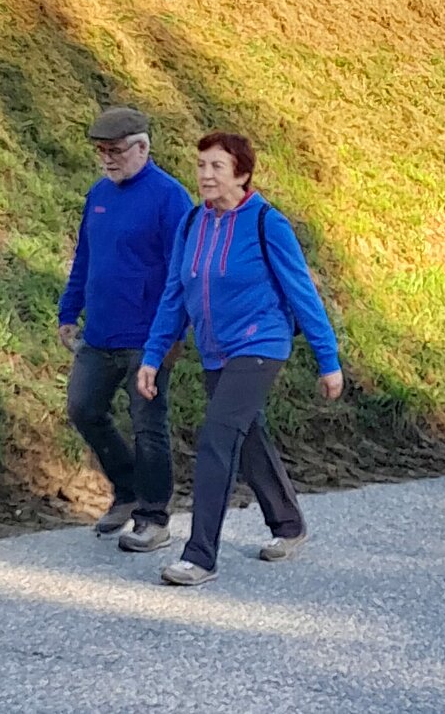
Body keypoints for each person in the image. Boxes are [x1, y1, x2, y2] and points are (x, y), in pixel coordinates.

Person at [137, 131, 343, 586]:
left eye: (217, 166)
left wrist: (328, 361)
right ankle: (288, 524)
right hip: (216, 350)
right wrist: (153, 355)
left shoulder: (267, 223)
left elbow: (302, 294)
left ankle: (200, 556)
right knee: (246, 437)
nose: (205, 175)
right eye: (201, 165)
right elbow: (174, 295)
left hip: (260, 344)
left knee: (217, 437)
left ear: (242, 174)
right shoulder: (192, 222)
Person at [58, 107, 192, 551]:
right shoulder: (98, 194)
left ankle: (153, 517)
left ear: (142, 148)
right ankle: (128, 490)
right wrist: (68, 311)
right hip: (100, 333)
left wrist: (173, 335)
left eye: (114, 151)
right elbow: (85, 257)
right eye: (101, 151)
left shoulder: (170, 198)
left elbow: (183, 273)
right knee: (83, 408)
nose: (107, 159)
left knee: (147, 425)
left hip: (148, 337)